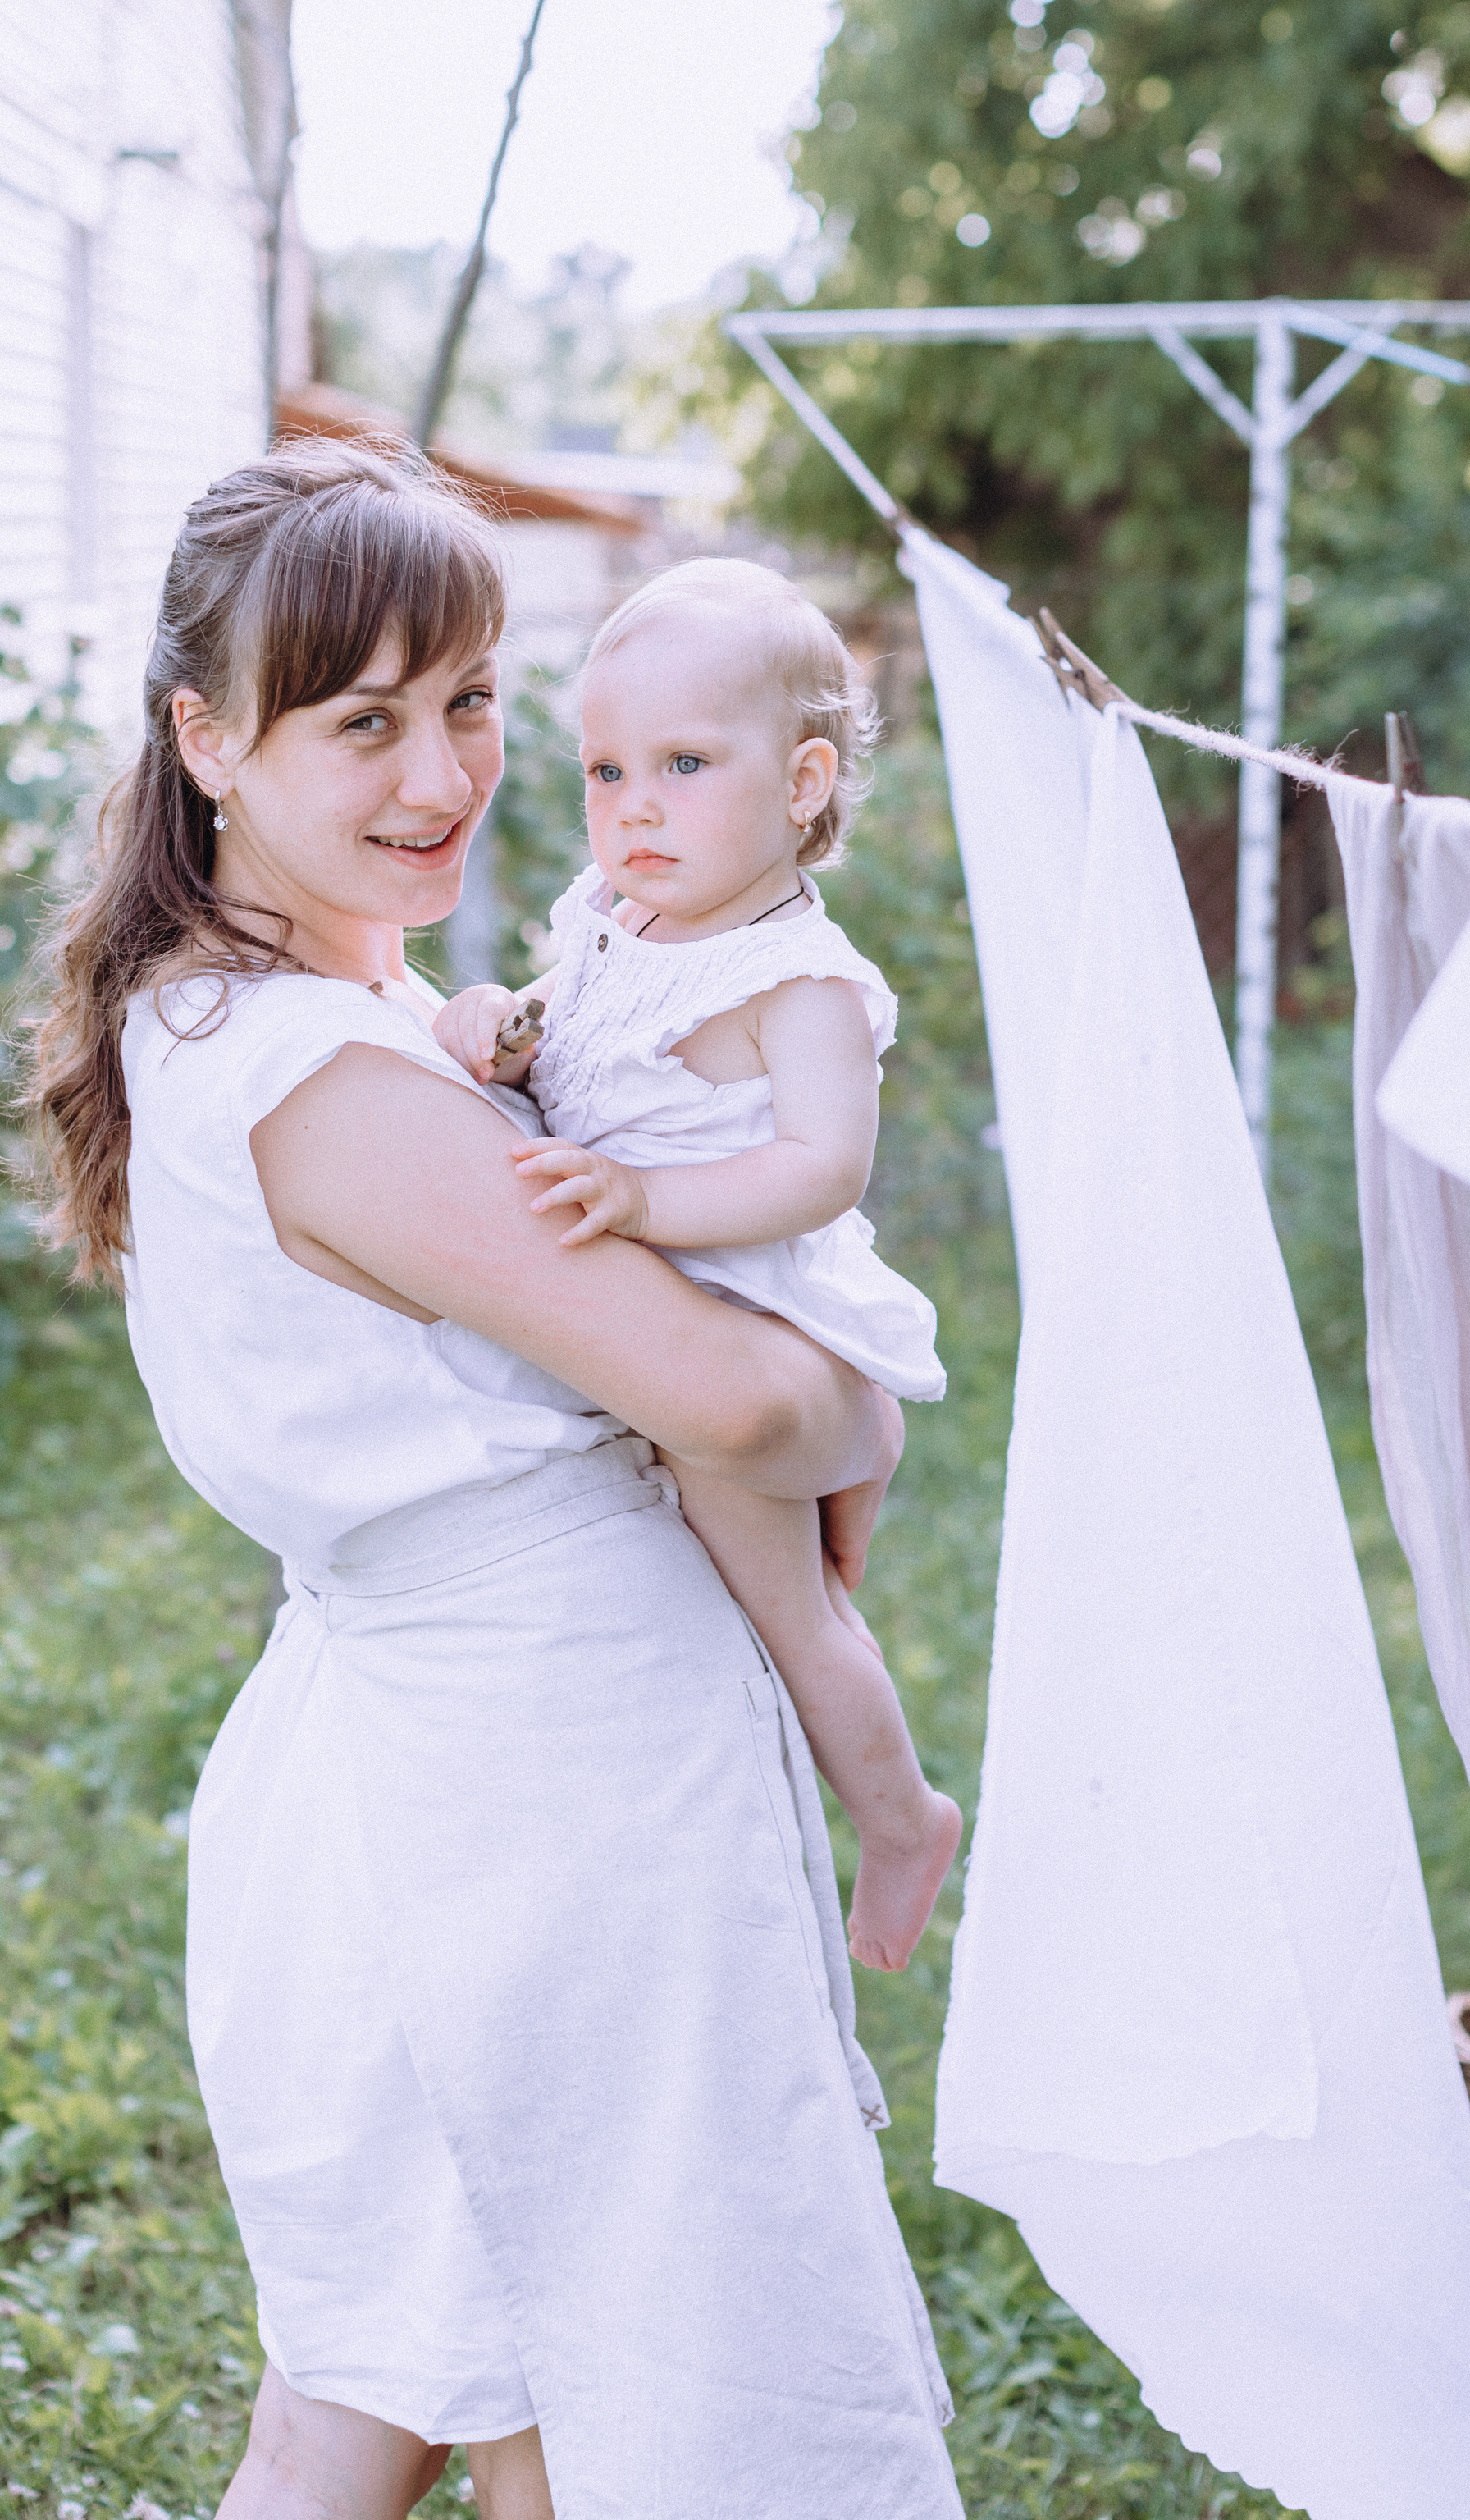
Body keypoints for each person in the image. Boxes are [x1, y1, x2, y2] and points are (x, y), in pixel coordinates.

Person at [22, 447, 963, 2520]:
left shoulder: (327, 1003)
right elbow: (731, 1404)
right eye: (361, 721)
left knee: (425, 2386)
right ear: (206, 742)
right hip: (527, 1792)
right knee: (608, 2393)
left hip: (487, 1772)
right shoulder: (323, 1075)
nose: (440, 773)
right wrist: (860, 1421)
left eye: (466, 701)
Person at [435, 559, 961, 1973]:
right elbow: (568, 1024)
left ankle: (903, 1817)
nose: (635, 807)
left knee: (789, 1609)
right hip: (661, 1298)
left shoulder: (799, 982)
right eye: (608, 770)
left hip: (747, 1306)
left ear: (801, 785)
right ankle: (858, 1473)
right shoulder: (615, 920)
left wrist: (643, 1196)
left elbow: (820, 1168)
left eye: (682, 763)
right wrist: (501, 1024)